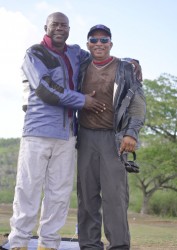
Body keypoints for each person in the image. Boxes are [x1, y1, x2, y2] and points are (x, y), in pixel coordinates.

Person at [8, 12, 105, 250]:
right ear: (46, 27)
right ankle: (19, 242)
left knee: (59, 194)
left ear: (69, 30)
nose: (60, 28)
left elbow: (98, 57)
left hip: (67, 136)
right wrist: (82, 101)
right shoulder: (34, 54)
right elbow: (45, 89)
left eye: (64, 25)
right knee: (28, 189)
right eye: (55, 24)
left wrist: (130, 64)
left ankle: (48, 244)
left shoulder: (74, 53)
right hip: (37, 132)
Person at [77, 24, 146, 250]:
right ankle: (89, 245)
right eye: (94, 40)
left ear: (111, 44)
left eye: (104, 40)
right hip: (85, 136)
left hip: (113, 138)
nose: (99, 44)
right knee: (87, 197)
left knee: (115, 198)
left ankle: (118, 245)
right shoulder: (81, 65)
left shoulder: (126, 68)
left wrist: (131, 133)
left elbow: (137, 104)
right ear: (88, 44)